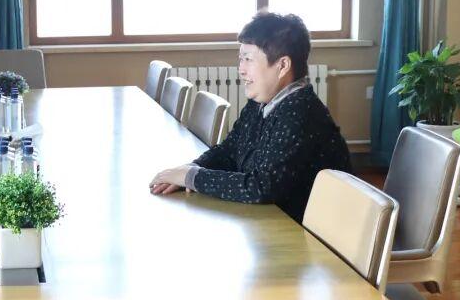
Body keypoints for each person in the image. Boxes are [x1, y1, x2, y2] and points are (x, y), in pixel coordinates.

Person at [149, 12, 351, 223]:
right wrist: (190, 169)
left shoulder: (300, 112)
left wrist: (192, 178)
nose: (241, 70)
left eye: (248, 59)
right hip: (269, 220)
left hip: (303, 232)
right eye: (241, 59)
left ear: (282, 65)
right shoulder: (262, 101)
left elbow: (261, 187)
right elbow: (230, 151)